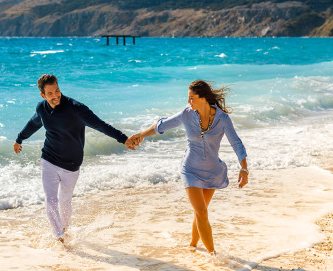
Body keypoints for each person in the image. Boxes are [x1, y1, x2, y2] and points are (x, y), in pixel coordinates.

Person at [129, 80, 248, 255]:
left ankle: (192, 245)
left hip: (213, 170)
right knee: (201, 211)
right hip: (190, 169)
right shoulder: (187, 114)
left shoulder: (223, 119)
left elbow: (236, 143)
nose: (189, 102)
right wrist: (141, 135)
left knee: (201, 212)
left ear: (203, 98)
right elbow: (162, 125)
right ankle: (213, 256)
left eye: (191, 98)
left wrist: (244, 168)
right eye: (188, 98)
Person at [14, 74, 136, 242]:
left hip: (71, 165)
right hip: (48, 159)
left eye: (57, 90)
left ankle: (64, 229)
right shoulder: (42, 108)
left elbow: (100, 125)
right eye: (50, 93)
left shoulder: (76, 108)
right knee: (50, 200)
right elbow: (34, 123)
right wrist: (20, 139)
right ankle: (59, 237)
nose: (55, 95)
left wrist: (123, 139)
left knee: (65, 201)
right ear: (43, 95)